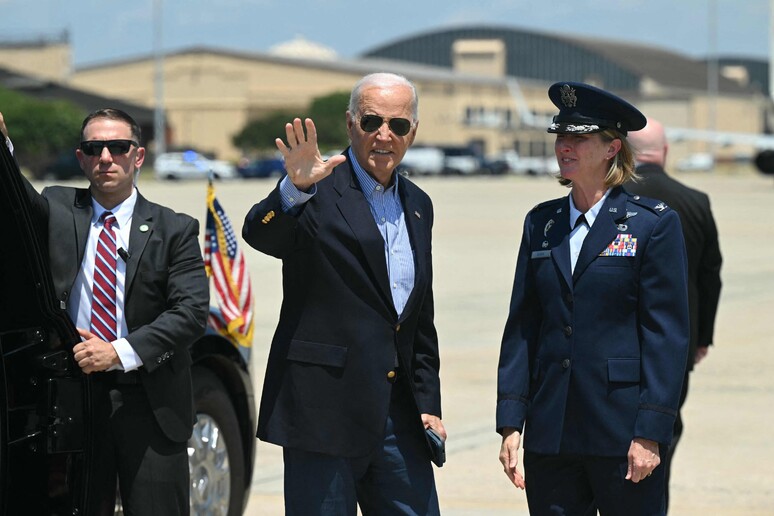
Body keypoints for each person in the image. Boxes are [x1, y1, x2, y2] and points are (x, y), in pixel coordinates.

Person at [242, 72, 445, 515]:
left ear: (413, 131)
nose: (384, 135)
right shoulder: (315, 189)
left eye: (399, 125)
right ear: (351, 123)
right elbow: (260, 234)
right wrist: (294, 190)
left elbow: (417, 318)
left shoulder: (418, 204)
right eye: (372, 122)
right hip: (322, 412)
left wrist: (428, 403)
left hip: (398, 416)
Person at [1, 108, 209, 515]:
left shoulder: (174, 229)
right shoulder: (58, 206)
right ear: (81, 158)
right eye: (94, 149)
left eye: (118, 147)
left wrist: (118, 352)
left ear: (138, 156)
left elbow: (190, 313)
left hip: (149, 401)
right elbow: (16, 205)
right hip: (75, 401)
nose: (106, 158)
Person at [496, 82, 690, 515]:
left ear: (611, 148)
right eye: (561, 137)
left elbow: (666, 336)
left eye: (579, 138)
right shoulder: (541, 223)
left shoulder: (651, 226)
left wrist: (651, 431)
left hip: (621, 433)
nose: (564, 147)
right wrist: (511, 421)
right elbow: (524, 326)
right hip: (552, 433)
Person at [626, 118, 722, 511]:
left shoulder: (613, 196)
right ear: (664, 152)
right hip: (676, 346)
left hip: (620, 345)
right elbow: (710, 275)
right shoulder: (695, 201)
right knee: (659, 436)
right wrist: (702, 337)